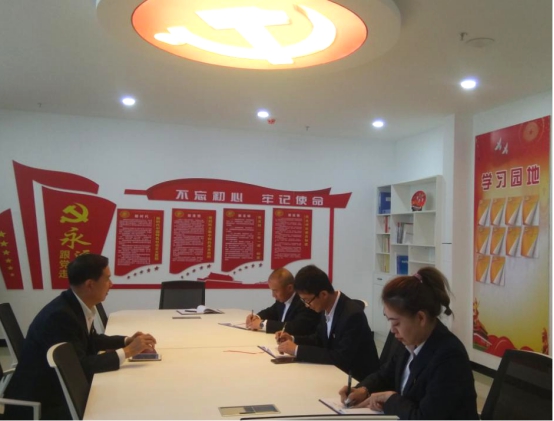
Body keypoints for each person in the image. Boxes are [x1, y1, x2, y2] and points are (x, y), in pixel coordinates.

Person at [4, 253, 157, 419]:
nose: (111, 284)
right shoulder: (60, 317)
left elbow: (91, 340)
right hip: (44, 403)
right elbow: (79, 367)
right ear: (90, 284)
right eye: (107, 279)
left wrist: (126, 340)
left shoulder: (73, 304)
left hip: (58, 389)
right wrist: (127, 352)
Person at [338, 267, 478, 420]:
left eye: (396, 323)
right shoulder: (410, 341)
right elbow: (386, 375)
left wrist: (391, 399)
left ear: (421, 318)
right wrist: (364, 389)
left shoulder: (449, 357)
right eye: (389, 321)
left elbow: (424, 418)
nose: (392, 330)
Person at [276, 265, 379, 381]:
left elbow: (340, 358)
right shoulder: (326, 306)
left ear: (323, 294)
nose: (306, 305)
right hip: (334, 373)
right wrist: (293, 339)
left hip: (356, 380)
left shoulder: (352, 315)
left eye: (307, 300)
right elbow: (319, 339)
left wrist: (297, 350)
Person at [245, 267, 319, 335]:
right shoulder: (281, 300)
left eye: (275, 291)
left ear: (289, 288)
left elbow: (295, 327)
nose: (273, 295)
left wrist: (262, 324)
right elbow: (271, 312)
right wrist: (257, 317)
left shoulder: (305, 302)